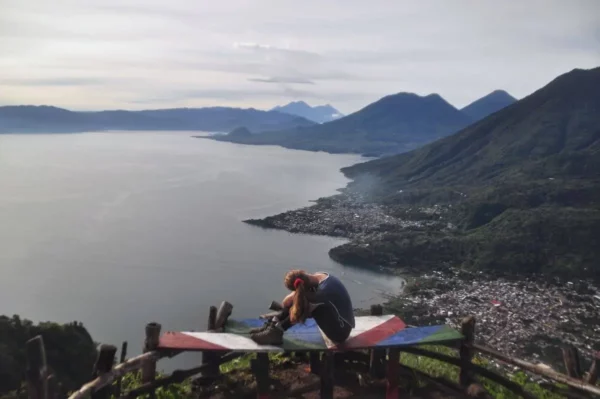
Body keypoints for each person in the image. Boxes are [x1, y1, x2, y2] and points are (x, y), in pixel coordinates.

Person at [250, 270, 355, 345]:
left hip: (340, 332)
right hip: (339, 322)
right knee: (301, 299)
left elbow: (293, 309)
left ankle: (276, 332)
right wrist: (294, 295)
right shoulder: (320, 275)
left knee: (302, 304)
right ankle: (272, 326)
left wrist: (294, 298)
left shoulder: (320, 295)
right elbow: (288, 301)